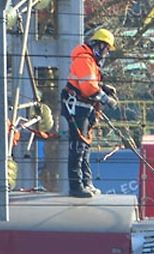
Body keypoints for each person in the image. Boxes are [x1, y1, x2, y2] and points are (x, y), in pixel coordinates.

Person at [62, 28, 117, 198]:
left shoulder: (89, 61)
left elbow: (90, 83)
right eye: (106, 49)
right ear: (99, 45)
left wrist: (104, 88)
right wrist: (106, 99)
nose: (106, 53)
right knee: (78, 146)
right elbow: (87, 88)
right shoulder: (84, 58)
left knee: (84, 147)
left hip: (82, 106)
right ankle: (76, 185)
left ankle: (86, 182)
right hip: (76, 106)